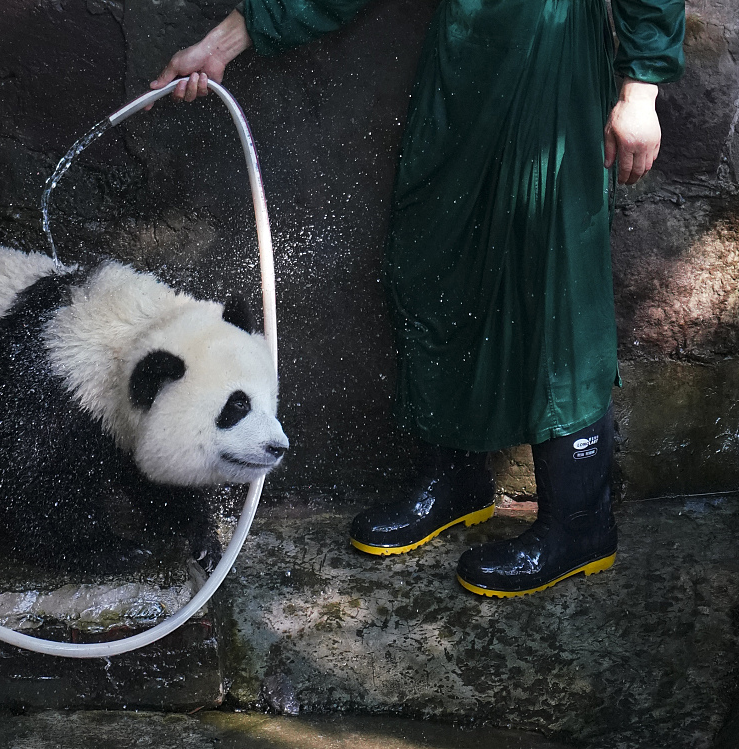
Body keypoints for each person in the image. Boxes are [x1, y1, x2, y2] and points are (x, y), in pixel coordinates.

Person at [152, 0, 685, 597]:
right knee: (436, 261)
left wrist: (641, 91)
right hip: (460, 67)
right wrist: (220, 48)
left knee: (554, 282)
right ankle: (455, 481)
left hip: (553, 62)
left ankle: (580, 519)